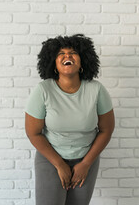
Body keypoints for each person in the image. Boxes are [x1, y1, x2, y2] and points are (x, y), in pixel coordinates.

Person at [25, 34, 115, 205]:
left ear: (82, 61)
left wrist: (86, 164)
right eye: (61, 54)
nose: (67, 56)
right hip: (50, 158)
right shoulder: (43, 90)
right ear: (53, 63)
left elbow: (106, 129)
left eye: (73, 52)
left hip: (86, 159)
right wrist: (59, 164)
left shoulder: (96, 90)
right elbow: (33, 133)